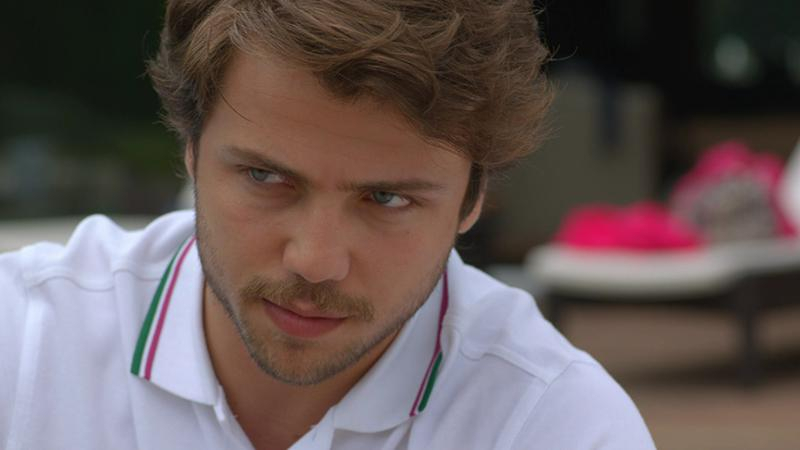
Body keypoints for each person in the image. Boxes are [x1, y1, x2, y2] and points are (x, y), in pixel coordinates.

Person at [0, 1, 655, 449]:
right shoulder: (24, 344)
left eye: (386, 199)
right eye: (265, 177)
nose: (315, 260)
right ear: (191, 150)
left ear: (473, 199)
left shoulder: (553, 426)